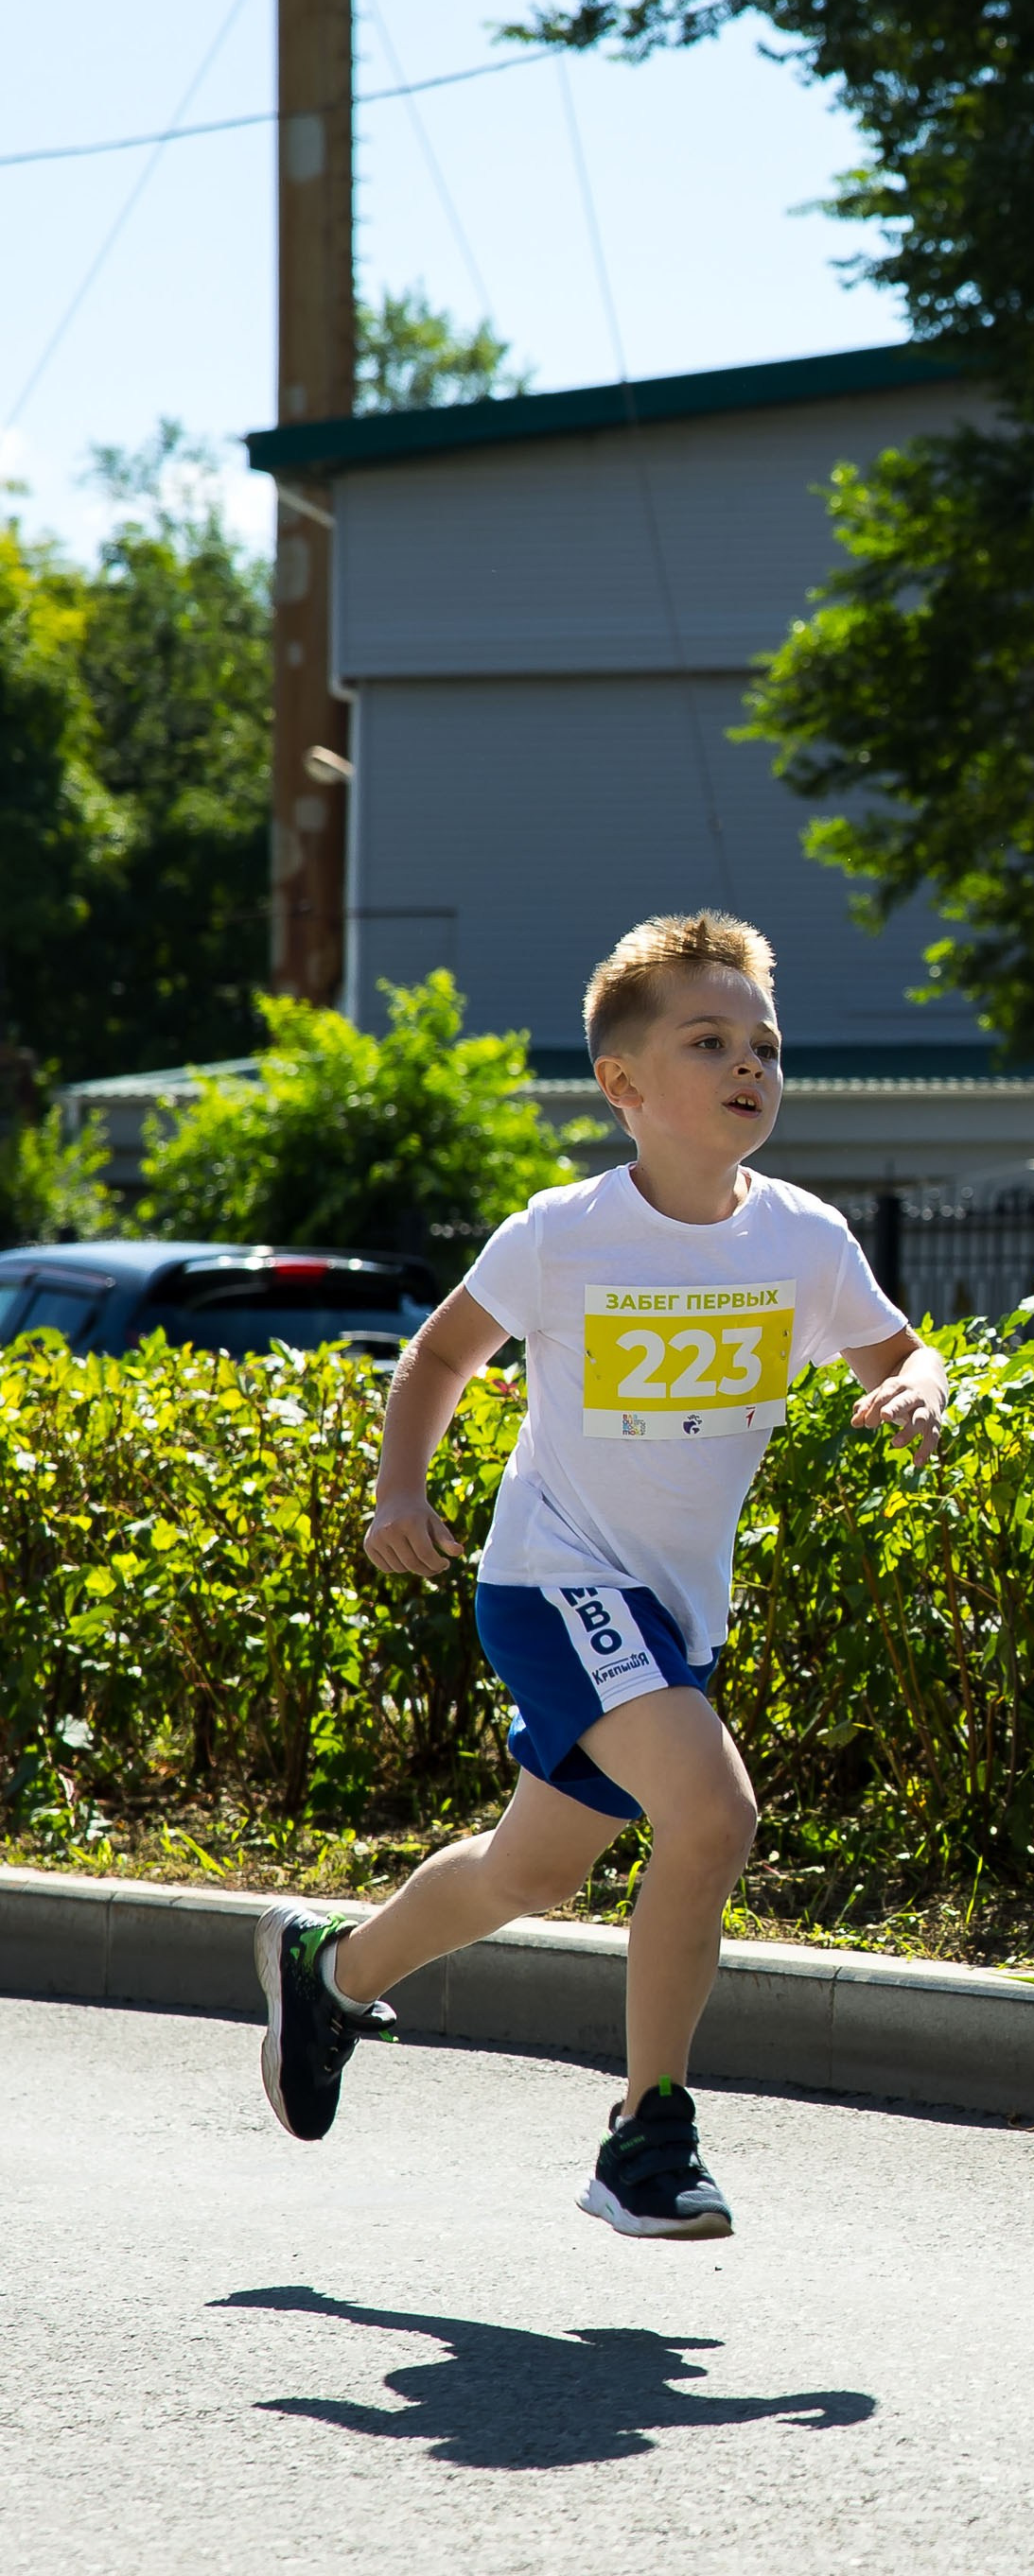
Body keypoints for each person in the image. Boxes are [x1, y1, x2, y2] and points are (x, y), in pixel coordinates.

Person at [253, 910, 946, 2240]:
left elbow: (902, 1352)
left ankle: (327, 1975)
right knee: (712, 1814)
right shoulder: (562, 1233)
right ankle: (649, 2134)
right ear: (623, 1085)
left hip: (670, 1615)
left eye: (766, 1046)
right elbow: (440, 1358)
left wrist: (916, 1394)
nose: (750, 1065)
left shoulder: (798, 1237)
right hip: (551, 1582)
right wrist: (401, 1489)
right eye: (709, 1041)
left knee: (531, 1876)